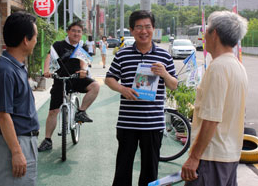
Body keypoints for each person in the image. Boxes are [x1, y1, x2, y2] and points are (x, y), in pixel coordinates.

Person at [105, 10, 178, 186]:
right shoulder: (122, 55)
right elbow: (109, 78)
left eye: (147, 27)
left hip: (153, 124)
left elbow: (174, 85)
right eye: (139, 27)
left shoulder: (164, 56)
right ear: (131, 30)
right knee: (123, 169)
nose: (143, 31)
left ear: (153, 29)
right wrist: (122, 89)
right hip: (127, 123)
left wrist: (164, 74)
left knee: (150, 170)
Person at [181, 11, 248, 186]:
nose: (204, 35)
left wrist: (194, 157)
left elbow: (211, 118)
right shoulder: (237, 66)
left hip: (211, 156)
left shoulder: (218, 68)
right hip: (229, 155)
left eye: (206, 30)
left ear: (215, 33)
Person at [0, 11, 39, 186]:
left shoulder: (15, 66)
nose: (36, 42)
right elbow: (3, 115)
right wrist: (16, 152)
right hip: (15, 144)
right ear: (26, 39)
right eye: (35, 37)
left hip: (22, 142)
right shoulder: (5, 71)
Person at [38, 21, 100, 152]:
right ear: (68, 32)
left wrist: (83, 71)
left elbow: (83, 63)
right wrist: (46, 71)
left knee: (95, 86)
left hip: (76, 79)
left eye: (79, 31)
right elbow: (49, 57)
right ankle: (47, 140)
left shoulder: (80, 47)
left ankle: (81, 112)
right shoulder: (58, 45)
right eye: (74, 31)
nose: (76, 33)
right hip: (60, 80)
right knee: (53, 111)